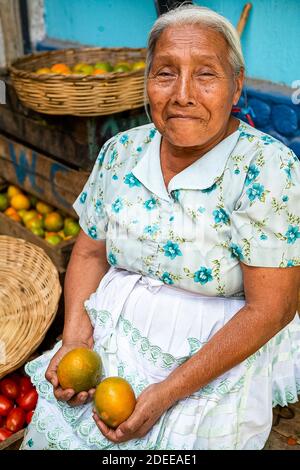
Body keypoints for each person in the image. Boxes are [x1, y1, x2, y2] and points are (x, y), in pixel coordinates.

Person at [21, 5, 300, 450]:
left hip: (211, 359)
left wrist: (167, 392)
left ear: (236, 86)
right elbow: (91, 252)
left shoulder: (266, 169)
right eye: (166, 73)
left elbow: (273, 308)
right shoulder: (121, 151)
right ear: (147, 83)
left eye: (206, 74)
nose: (183, 94)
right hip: (108, 338)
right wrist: (75, 334)